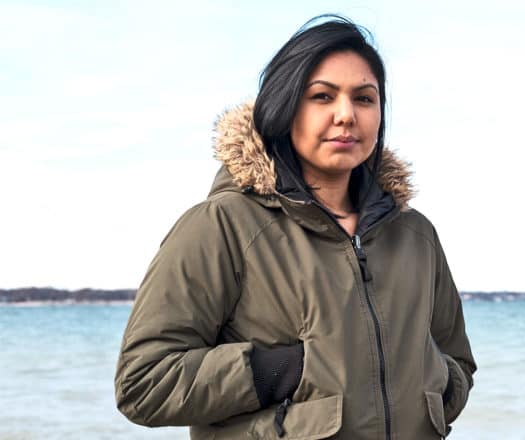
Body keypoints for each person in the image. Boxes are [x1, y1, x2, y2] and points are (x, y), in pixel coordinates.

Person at [115, 15, 476, 440]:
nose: (346, 115)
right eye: (322, 96)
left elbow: (457, 362)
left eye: (364, 98)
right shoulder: (222, 225)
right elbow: (144, 383)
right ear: (285, 107)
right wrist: (279, 371)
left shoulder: (416, 235)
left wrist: (431, 378)